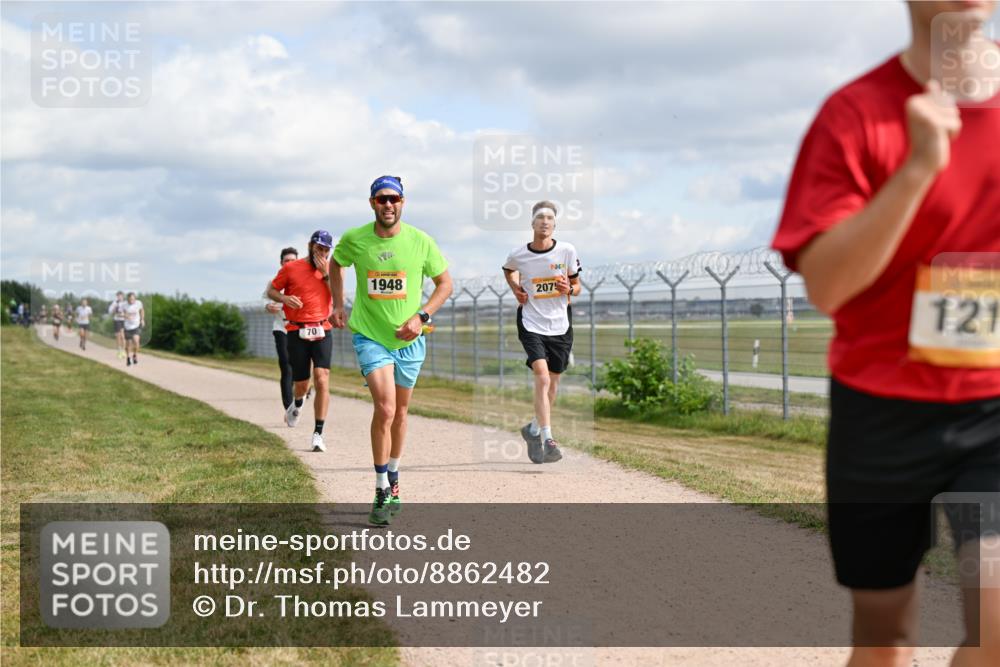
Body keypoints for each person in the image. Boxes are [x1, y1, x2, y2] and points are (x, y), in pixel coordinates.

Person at [771, 2, 999, 665]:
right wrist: (918, 168)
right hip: (881, 408)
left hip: (991, 406)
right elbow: (827, 287)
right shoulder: (854, 113)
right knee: (884, 633)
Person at [330, 175, 452, 525]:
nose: (388, 205)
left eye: (393, 199)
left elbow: (445, 283)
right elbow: (336, 264)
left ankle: (395, 476)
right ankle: (381, 487)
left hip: (410, 340)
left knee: (400, 413)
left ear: (403, 202)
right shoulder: (356, 239)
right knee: (384, 408)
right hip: (370, 337)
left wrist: (422, 315)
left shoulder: (420, 241)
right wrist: (339, 304)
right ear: (372, 203)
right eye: (381, 199)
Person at [502, 200, 582, 464]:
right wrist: (516, 289)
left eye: (550, 218)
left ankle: (533, 429)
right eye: (540, 218)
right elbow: (508, 269)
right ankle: (547, 437)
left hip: (560, 324)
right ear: (532, 223)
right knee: (542, 377)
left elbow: (577, 286)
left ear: (554, 225)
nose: (545, 222)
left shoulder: (567, 251)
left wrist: (567, 290)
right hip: (531, 322)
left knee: (553, 384)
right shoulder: (519, 254)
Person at [267, 231, 336, 452]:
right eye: (319, 248)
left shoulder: (333, 269)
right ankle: (297, 404)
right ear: (310, 246)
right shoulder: (291, 268)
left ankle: (318, 433)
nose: (322, 253)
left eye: (326, 250)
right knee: (302, 384)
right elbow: (272, 290)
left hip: (323, 328)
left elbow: (339, 296)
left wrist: (326, 275)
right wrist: (285, 298)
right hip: (297, 330)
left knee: (322, 377)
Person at [264, 247, 299, 418]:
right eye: (287, 261)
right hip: (281, 328)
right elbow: (265, 300)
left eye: (293, 260)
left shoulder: (303, 281)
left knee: (301, 366)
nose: (290, 263)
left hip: (300, 328)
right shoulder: (274, 282)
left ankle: (303, 389)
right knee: (286, 366)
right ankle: (289, 407)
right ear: (281, 263)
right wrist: (268, 306)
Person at [123, 292, 144, 366]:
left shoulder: (138, 303)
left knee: (136, 341)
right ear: (127, 299)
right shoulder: (124, 305)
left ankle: (135, 355)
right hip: (127, 327)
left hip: (136, 326)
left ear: (135, 298)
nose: (131, 300)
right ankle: (128, 358)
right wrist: (126, 316)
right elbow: (122, 313)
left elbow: (141, 310)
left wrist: (142, 319)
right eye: (130, 299)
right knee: (128, 344)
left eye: (132, 299)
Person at [108, 291, 127, 358]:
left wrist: (123, 314)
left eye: (121, 296)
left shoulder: (126, 303)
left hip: (123, 321)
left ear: (123, 296)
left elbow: (128, 312)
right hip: (117, 320)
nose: (119, 297)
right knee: (118, 336)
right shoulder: (114, 303)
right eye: (118, 296)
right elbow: (110, 311)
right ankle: (119, 350)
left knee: (122, 336)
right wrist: (114, 308)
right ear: (117, 297)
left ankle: (123, 351)